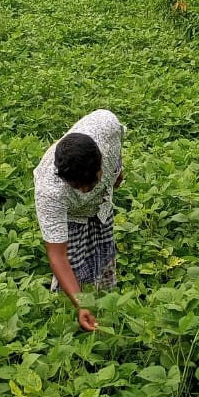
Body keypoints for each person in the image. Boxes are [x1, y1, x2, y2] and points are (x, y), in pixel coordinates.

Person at [33, 109, 126, 332]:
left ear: (100, 161)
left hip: (101, 203)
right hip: (72, 213)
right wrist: (81, 304)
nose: (85, 190)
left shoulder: (107, 125)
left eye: (89, 183)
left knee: (102, 251)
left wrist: (117, 173)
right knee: (74, 260)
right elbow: (58, 255)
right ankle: (69, 310)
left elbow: (118, 151)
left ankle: (104, 298)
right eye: (78, 186)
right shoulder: (50, 192)